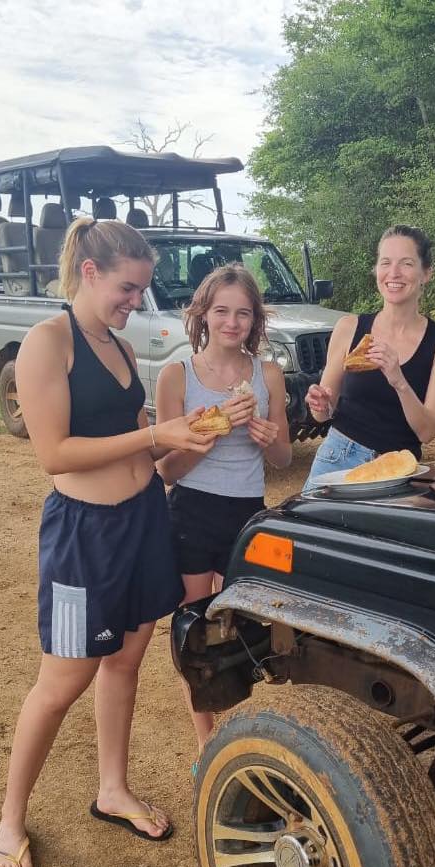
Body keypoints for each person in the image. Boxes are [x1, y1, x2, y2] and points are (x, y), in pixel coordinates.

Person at [0, 217, 215, 867]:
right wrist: (154, 435)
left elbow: (134, 438)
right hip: (83, 538)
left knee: (124, 661)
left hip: (144, 523)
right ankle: (9, 819)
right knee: (61, 683)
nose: (134, 302)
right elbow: (53, 453)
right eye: (126, 288)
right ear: (89, 272)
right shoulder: (47, 343)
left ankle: (112, 789)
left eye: (140, 291)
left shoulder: (114, 344)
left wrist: (179, 441)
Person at [155, 264, 292, 753]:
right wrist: (211, 434)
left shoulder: (267, 375)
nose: (232, 322)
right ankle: (206, 743)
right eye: (222, 311)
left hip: (246, 512)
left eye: (243, 313)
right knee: (195, 631)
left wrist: (268, 437)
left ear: (255, 320)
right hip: (191, 511)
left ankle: (243, 730)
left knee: (245, 628)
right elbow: (168, 471)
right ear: (203, 315)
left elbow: (281, 459)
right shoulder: (177, 375)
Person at [303, 225, 435, 490]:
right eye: (385, 262)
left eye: (407, 263)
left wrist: (398, 380)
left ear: (426, 273)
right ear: (376, 270)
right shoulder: (349, 327)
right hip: (337, 461)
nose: (394, 273)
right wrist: (321, 404)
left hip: (397, 471)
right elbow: (322, 415)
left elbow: (427, 431)